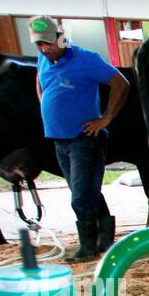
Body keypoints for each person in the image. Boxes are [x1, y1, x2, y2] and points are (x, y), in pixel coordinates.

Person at [29, 15, 128, 262]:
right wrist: (47, 105)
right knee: (84, 190)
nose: (44, 48)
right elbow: (40, 84)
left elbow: (120, 83)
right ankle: (104, 238)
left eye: (48, 43)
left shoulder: (87, 59)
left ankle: (88, 247)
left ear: (61, 36)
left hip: (84, 138)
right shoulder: (43, 58)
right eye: (39, 44)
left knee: (81, 196)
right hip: (59, 138)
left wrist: (105, 118)